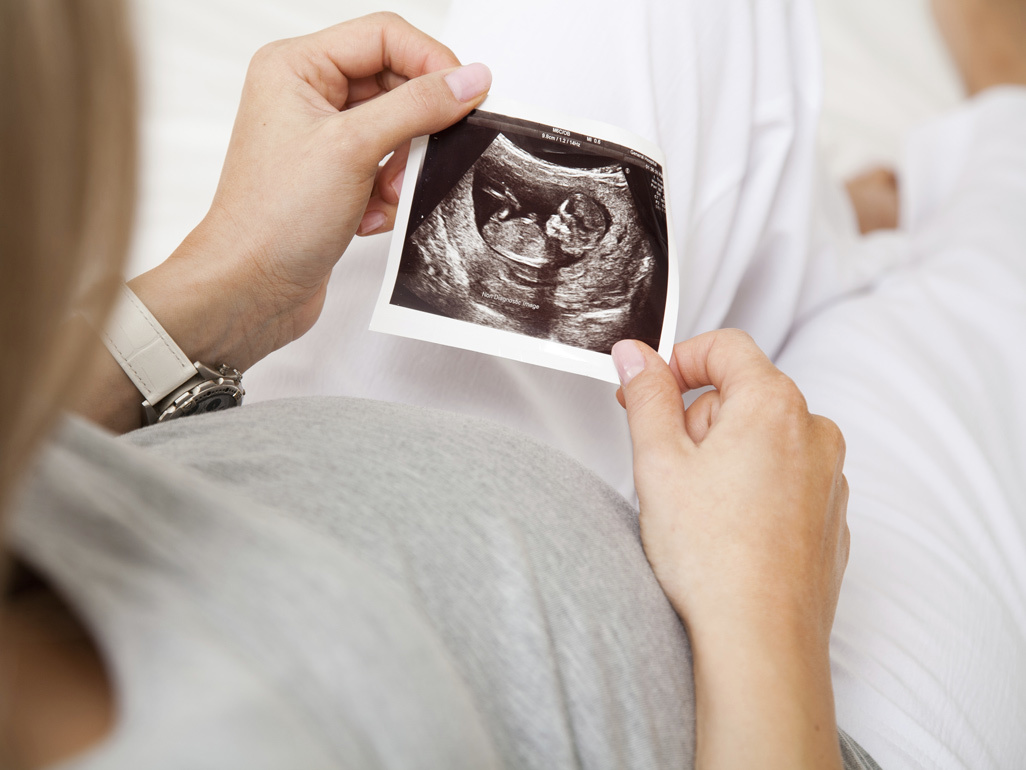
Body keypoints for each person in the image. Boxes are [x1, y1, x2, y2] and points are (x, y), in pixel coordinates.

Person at [0, 3, 1022, 770]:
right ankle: (990, 128)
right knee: (989, 268)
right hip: (773, 707)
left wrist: (221, 289)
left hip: (306, 466)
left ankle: (822, 240)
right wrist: (767, 616)